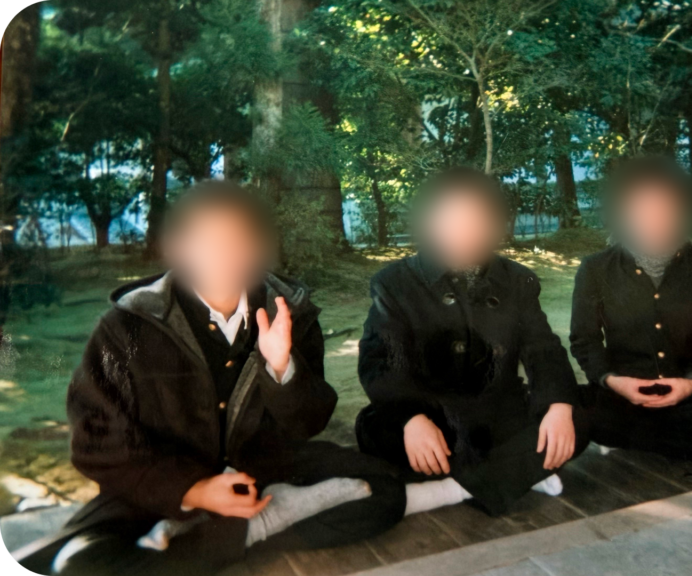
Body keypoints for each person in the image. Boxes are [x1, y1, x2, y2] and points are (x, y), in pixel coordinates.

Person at [18, 182, 406, 576]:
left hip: (266, 469)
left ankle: (238, 530)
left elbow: (309, 423)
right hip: (165, 482)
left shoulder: (290, 313)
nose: (225, 256)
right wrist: (193, 490)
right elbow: (97, 443)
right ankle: (255, 525)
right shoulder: (126, 327)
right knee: (80, 565)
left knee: (385, 489)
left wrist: (281, 367)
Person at [356, 167, 588, 517]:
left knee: (577, 417)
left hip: (499, 418)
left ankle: (452, 489)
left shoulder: (517, 280)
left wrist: (557, 406)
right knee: (379, 434)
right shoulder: (393, 283)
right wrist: (412, 420)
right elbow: (382, 363)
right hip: (431, 420)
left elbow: (543, 350)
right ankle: (520, 472)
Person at [570, 157, 692, 465]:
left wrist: (691, 383)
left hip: (690, 393)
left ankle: (629, 435)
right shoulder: (595, 268)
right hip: (624, 394)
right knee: (572, 405)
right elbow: (585, 340)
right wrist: (614, 381)